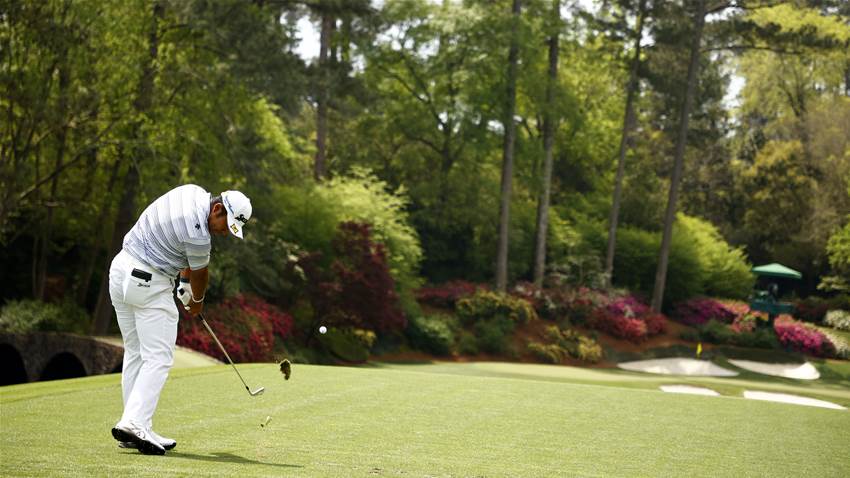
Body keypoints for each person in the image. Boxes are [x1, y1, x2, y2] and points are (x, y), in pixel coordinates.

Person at [108, 185, 252, 455]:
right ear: (218, 209)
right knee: (159, 357)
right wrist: (196, 302)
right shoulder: (200, 236)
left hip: (120, 270)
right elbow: (201, 273)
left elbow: (182, 247)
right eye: (225, 225)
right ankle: (134, 422)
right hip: (148, 280)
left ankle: (136, 427)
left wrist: (182, 281)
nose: (224, 233)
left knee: (137, 353)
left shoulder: (192, 192)